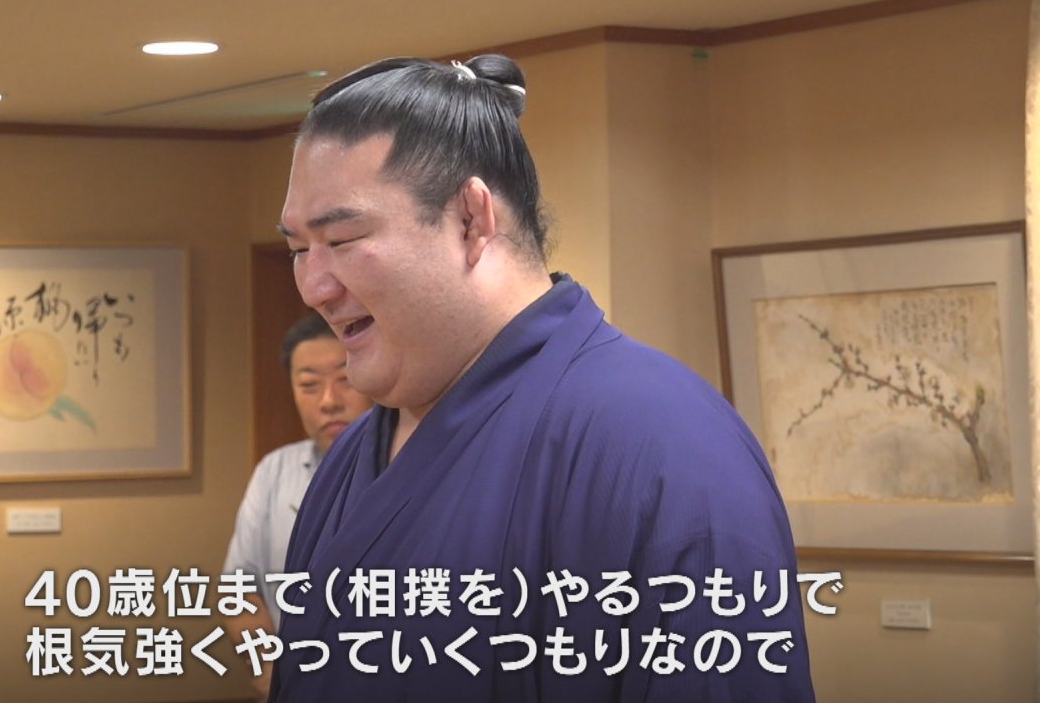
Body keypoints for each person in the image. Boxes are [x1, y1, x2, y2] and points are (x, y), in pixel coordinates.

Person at [271, 55, 816, 702]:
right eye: (298, 250)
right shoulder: (349, 461)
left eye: (341, 240)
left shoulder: (664, 445)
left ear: (471, 220)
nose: (313, 287)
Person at [221, 312, 373, 701]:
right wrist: (271, 676)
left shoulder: (412, 463)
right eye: (309, 385)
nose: (329, 402)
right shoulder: (273, 471)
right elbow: (238, 589)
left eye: (345, 379)